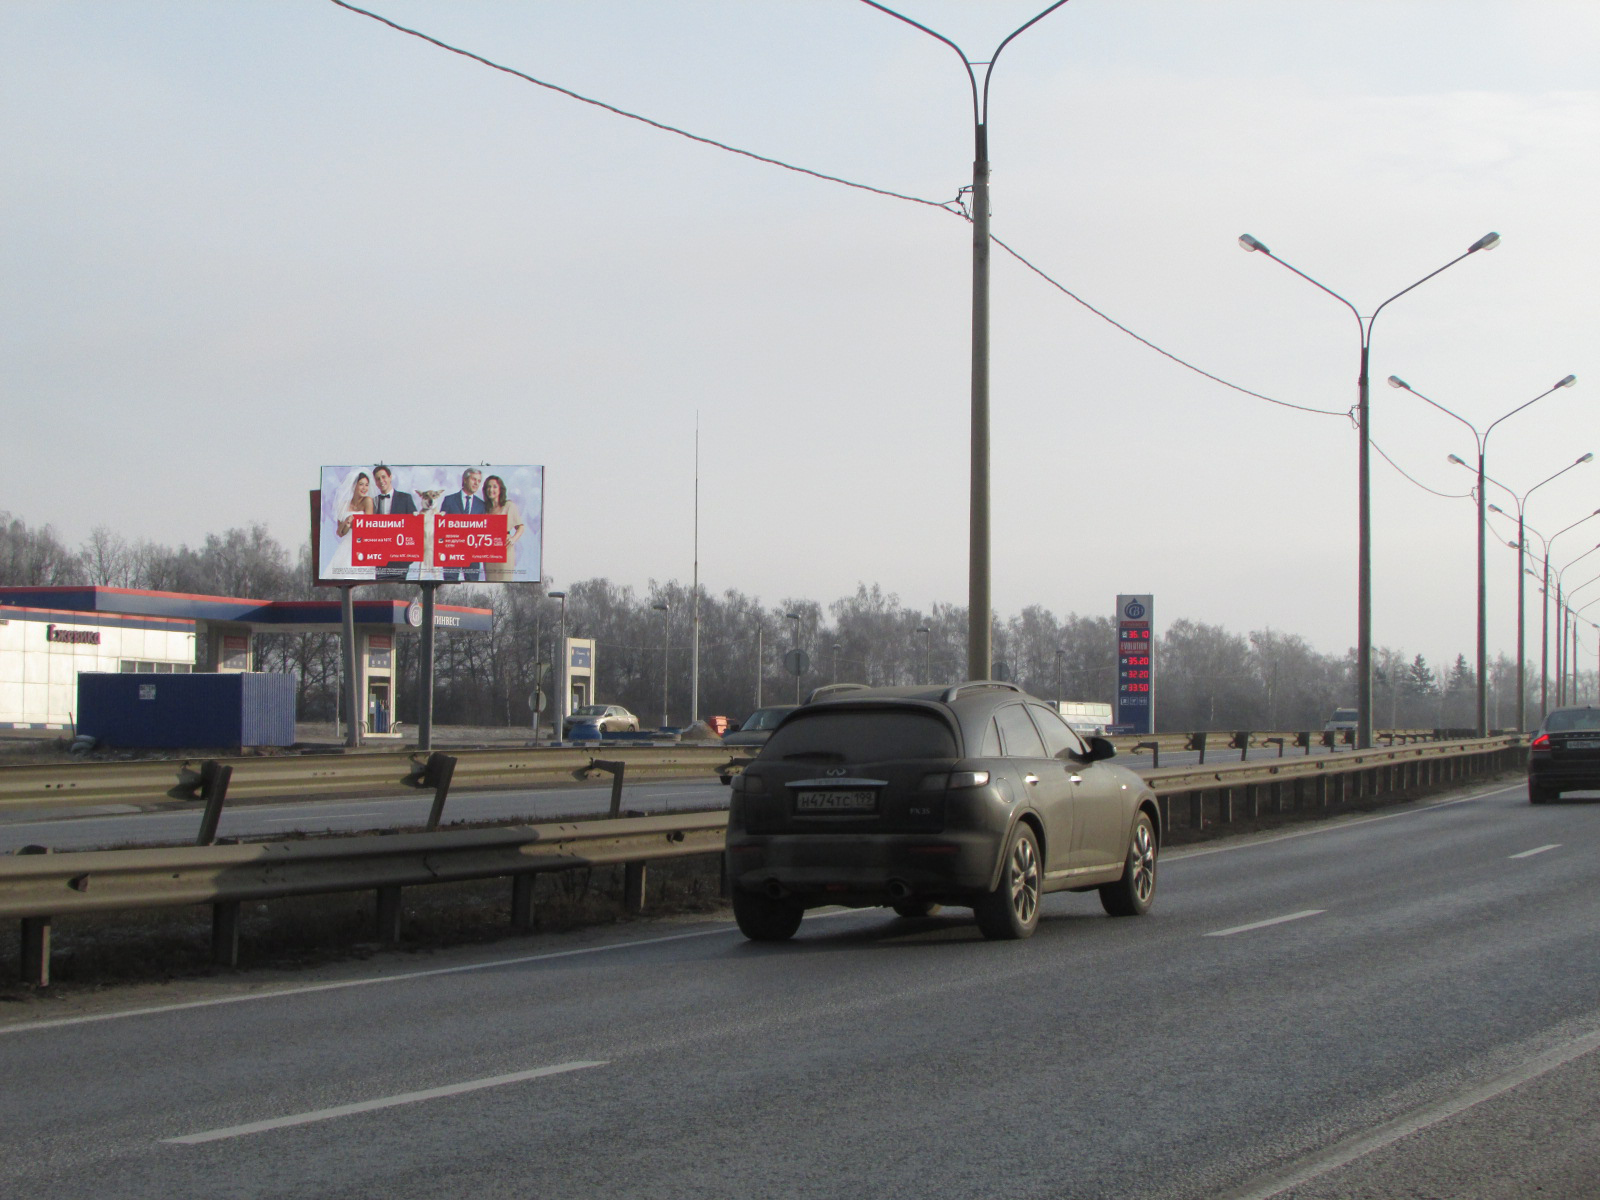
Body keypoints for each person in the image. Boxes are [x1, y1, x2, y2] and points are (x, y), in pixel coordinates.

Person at [370, 464, 416, 582]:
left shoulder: (405, 498)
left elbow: (415, 526)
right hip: (380, 558)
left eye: (383, 477)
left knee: (400, 593)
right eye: (378, 479)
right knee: (381, 591)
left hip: (400, 558)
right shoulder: (373, 502)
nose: (381, 481)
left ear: (390, 477)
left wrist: (410, 555)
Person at [440, 468, 487, 582]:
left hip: (473, 553)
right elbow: (441, 526)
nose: (476, 483)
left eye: (479, 481)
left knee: (472, 583)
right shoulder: (449, 500)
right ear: (465, 479)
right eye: (474, 479)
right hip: (452, 552)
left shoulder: (481, 505)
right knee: (449, 583)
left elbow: (484, 530)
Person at [482, 474, 525, 583]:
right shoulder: (484, 508)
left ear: (501, 489)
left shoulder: (509, 506)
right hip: (489, 551)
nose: (491, 489)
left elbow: (520, 527)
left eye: (494, 486)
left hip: (504, 550)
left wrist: (513, 539)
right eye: (488, 486)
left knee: (505, 581)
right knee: (490, 581)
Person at [328, 472, 373, 574]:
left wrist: (353, 523)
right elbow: (340, 533)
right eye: (361, 484)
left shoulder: (367, 501)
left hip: (362, 545)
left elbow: (368, 526)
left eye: (366, 485)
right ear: (354, 485)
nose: (364, 488)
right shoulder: (343, 505)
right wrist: (346, 523)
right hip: (345, 546)